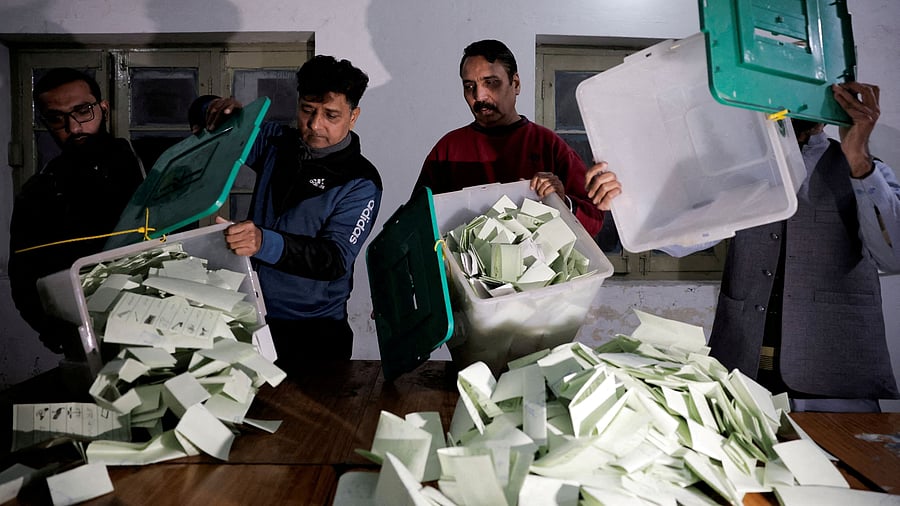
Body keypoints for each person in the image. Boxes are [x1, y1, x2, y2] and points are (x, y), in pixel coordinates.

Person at [647, 82, 900, 412]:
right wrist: (630, 197)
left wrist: (858, 160)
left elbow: (893, 256)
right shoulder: (738, 173)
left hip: (835, 376)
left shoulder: (867, 170)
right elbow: (676, 245)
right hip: (742, 371)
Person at [204, 55, 382, 374]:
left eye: (331, 115)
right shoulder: (275, 143)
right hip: (250, 317)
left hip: (315, 335)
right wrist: (214, 107)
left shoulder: (360, 180)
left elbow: (334, 258)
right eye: (307, 111)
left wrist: (263, 242)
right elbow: (224, 124)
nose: (315, 125)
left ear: (353, 116)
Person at [415, 39, 621, 236]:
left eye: (491, 82)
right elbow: (416, 222)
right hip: (460, 272)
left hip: (541, 272)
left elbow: (593, 220)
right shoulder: (447, 150)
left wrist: (561, 202)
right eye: (469, 86)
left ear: (516, 84)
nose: (479, 96)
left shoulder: (548, 145)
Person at [9, 68, 146, 356]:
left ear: (103, 108)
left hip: (167, 326)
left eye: (83, 111)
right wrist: (57, 334)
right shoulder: (39, 192)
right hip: (87, 342)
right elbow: (23, 275)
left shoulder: (147, 163)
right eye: (56, 118)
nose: (73, 128)